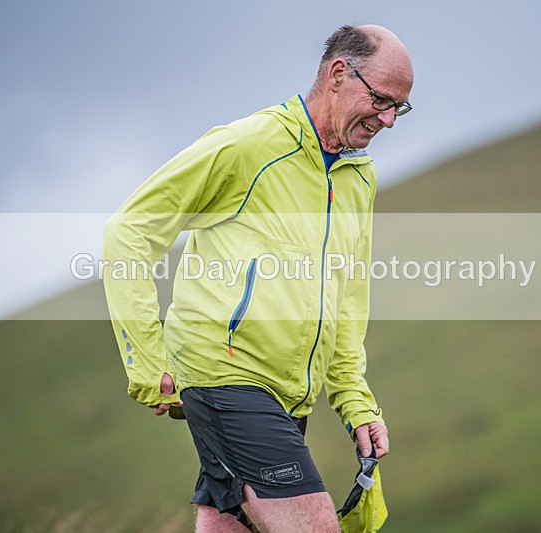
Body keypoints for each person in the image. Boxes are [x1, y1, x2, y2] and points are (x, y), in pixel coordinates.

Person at [103, 23, 414, 532]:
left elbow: (346, 300)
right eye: (381, 100)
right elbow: (130, 232)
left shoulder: (359, 179)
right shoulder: (249, 145)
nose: (388, 119)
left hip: (287, 392)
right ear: (339, 74)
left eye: (398, 107)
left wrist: (356, 402)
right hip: (226, 376)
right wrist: (145, 357)